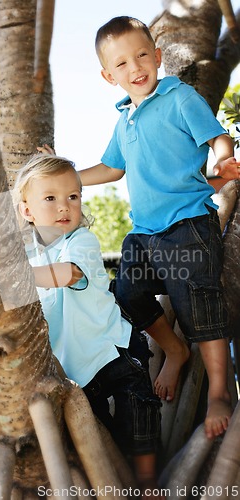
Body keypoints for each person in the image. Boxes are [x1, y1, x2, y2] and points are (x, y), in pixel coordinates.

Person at [38, 16, 240, 440]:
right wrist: (65, 171)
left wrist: (223, 160)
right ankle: (173, 348)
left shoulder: (179, 97)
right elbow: (112, 169)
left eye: (143, 55)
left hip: (188, 223)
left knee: (199, 306)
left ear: (158, 56)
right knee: (128, 293)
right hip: (145, 233)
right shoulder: (123, 121)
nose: (136, 67)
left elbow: (216, 137)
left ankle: (220, 390)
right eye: (123, 63)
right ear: (108, 75)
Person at [14, 153, 165, 499]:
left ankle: (147, 481)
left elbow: (70, 274)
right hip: (75, 370)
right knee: (98, 431)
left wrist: (14, 277)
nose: (64, 206)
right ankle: (114, 480)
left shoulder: (80, 241)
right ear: (27, 212)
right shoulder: (30, 257)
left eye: (73, 197)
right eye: (50, 198)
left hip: (113, 350)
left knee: (137, 410)